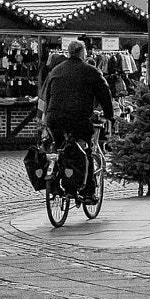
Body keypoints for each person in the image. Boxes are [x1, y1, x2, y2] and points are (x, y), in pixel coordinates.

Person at [42, 40, 115, 202]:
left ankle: (55, 183)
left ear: (68, 53)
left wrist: (47, 117)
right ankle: (88, 192)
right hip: (78, 120)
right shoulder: (91, 71)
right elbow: (105, 94)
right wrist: (109, 115)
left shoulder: (55, 70)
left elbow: (47, 96)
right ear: (83, 53)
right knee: (85, 150)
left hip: (54, 119)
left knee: (59, 149)